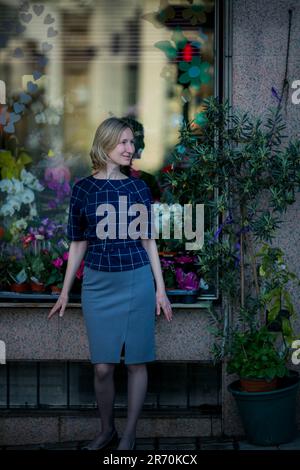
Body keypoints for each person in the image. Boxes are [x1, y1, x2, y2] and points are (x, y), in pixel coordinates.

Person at [48, 117, 173, 451]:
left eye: (132, 143)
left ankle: (129, 436)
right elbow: (78, 243)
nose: (130, 149)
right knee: (102, 366)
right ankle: (107, 430)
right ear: (104, 144)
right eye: (123, 142)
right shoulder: (83, 189)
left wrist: (160, 290)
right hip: (98, 285)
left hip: (136, 281)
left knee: (136, 362)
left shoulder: (138, 187)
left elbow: (148, 241)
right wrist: (63, 291)